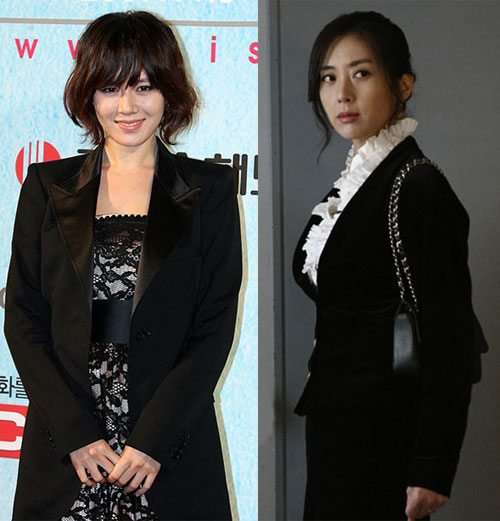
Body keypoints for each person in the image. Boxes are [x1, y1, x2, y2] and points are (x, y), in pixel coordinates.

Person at [4, 10, 241, 521]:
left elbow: (213, 326)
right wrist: (74, 434)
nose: (127, 106)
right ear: (89, 95)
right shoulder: (47, 187)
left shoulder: (211, 191)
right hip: (68, 449)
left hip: (166, 451)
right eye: (110, 88)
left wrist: (154, 441)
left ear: (169, 93)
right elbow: (22, 318)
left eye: (144, 87)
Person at [292, 11, 475, 521]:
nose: (342, 94)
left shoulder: (417, 186)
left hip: (385, 438)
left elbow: (450, 336)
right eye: (328, 77)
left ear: (403, 85)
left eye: (361, 73)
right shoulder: (357, 181)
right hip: (336, 426)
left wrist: (432, 465)